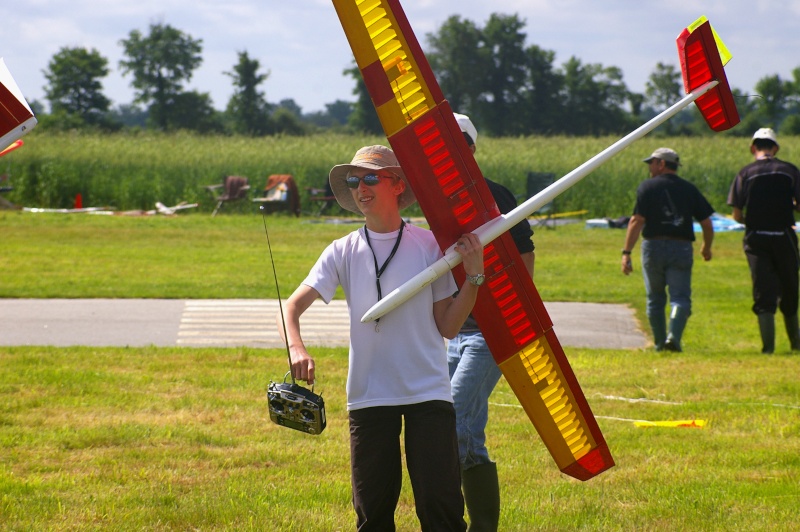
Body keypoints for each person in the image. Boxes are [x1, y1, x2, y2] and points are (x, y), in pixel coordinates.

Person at [280, 145, 485, 531]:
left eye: (370, 178)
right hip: (369, 393)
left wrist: (473, 278)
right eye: (354, 181)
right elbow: (290, 308)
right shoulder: (341, 250)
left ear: (397, 184)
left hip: (428, 391)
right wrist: (297, 347)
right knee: (372, 514)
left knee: (440, 508)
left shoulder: (428, 246)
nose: (361, 188)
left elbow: (448, 327)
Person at [446, 113, 534, 532]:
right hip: (450, 328)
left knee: (456, 418)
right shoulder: (431, 197)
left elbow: (525, 253)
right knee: (457, 424)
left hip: (489, 330)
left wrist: (512, 311)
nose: (455, 148)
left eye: (461, 141)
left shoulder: (496, 195)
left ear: (473, 149)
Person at [620, 147, 714, 352]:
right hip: (681, 247)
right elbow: (707, 223)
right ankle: (674, 337)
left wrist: (626, 252)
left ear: (661, 164)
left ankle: (660, 344)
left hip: (652, 247)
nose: (649, 167)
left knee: (655, 297)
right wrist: (706, 247)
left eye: (651, 163)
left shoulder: (647, 187)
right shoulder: (689, 189)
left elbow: (636, 221)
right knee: (680, 297)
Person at [727, 128, 800, 353]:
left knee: (763, 291)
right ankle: (796, 344)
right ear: (775, 148)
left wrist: (754, 221)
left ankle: (768, 348)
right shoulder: (789, 171)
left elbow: (736, 214)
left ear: (753, 148)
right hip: (784, 237)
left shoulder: (745, 173)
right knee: (790, 288)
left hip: (756, 238)